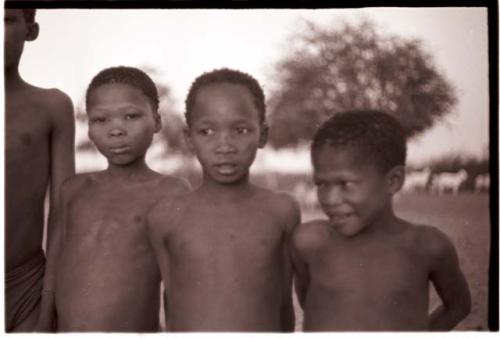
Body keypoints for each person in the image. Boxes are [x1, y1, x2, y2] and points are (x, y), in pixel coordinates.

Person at [36, 66, 190, 332]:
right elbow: (55, 261)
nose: (116, 130)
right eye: (100, 120)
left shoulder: (171, 192)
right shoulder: (73, 189)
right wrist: (42, 323)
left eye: (130, 116)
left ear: (157, 121)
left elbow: (179, 283)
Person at [147, 68, 300, 332]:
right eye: (207, 131)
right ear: (189, 137)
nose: (224, 146)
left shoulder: (281, 210)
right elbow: (170, 301)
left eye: (240, 130)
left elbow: (283, 303)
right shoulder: (165, 217)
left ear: (261, 135)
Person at [290, 110, 471, 331]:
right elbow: (310, 303)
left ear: (393, 181)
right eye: (321, 184)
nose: (329, 199)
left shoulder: (427, 246)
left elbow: (459, 305)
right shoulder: (309, 242)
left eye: (345, 184)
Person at [4, 8, 75, 332]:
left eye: (6, 20)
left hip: (26, 284)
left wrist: (49, 301)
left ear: (30, 30)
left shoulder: (52, 106)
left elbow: (62, 209)